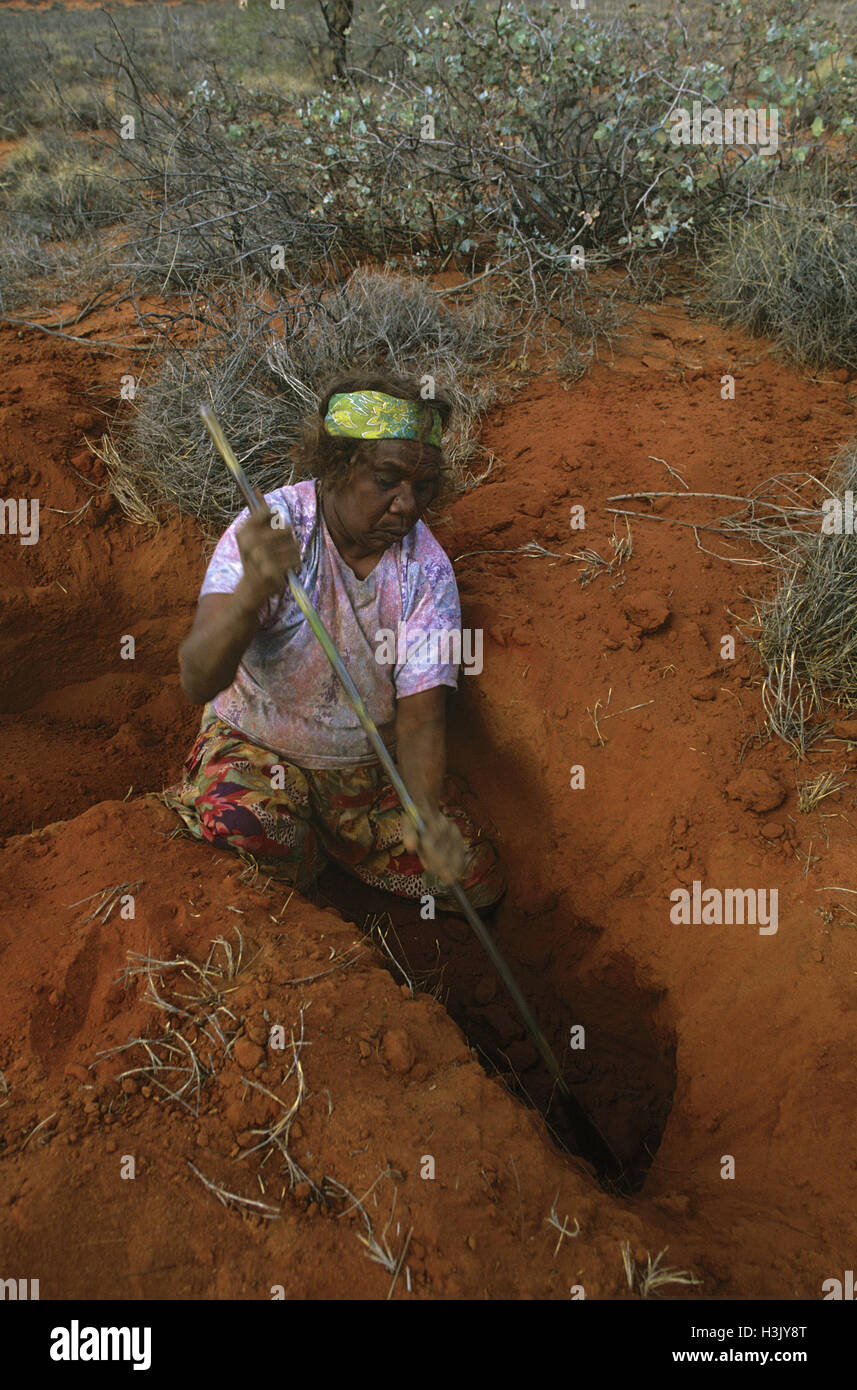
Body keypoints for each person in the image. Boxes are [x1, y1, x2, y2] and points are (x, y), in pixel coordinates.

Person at [167, 372, 506, 913]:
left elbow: (421, 718)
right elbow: (196, 679)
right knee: (245, 826)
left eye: (422, 486)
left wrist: (424, 813)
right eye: (388, 479)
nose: (406, 504)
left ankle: (320, 855)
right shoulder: (275, 532)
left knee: (474, 876)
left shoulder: (427, 570)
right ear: (338, 465)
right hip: (257, 753)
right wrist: (253, 589)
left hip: (364, 778)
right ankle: (305, 868)